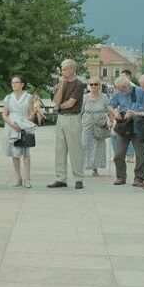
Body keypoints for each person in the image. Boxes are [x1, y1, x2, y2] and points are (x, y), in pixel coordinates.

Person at [48, 59, 86, 190]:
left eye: (64, 69)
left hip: (73, 118)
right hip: (61, 118)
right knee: (60, 150)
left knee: (75, 149)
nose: (62, 71)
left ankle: (79, 178)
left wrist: (59, 107)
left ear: (71, 70)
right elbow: (56, 101)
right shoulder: (61, 83)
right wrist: (62, 85)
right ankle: (60, 178)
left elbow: (71, 103)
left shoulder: (79, 84)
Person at [0, 75, 38, 188]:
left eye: (16, 82)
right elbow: (4, 114)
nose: (14, 84)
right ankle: (18, 177)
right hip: (12, 126)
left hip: (24, 126)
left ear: (22, 84)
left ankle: (27, 178)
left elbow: (31, 112)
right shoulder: (8, 97)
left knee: (26, 152)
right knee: (14, 153)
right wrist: (11, 123)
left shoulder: (29, 97)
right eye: (12, 83)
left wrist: (27, 120)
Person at [109, 75, 144, 186]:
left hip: (138, 127)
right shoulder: (117, 93)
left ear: (128, 84)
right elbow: (110, 105)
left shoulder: (140, 92)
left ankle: (139, 178)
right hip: (124, 127)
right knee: (119, 155)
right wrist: (115, 112)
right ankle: (121, 177)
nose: (122, 91)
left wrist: (134, 112)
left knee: (140, 155)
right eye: (119, 89)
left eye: (123, 88)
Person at [80, 77, 110, 177]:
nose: (93, 86)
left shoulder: (104, 96)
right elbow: (80, 111)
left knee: (98, 146)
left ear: (99, 86)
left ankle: (95, 168)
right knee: (85, 144)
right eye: (91, 84)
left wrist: (112, 120)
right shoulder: (85, 97)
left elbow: (109, 109)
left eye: (96, 84)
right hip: (87, 123)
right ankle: (82, 167)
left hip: (100, 125)